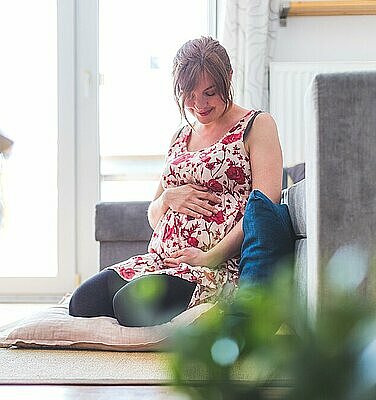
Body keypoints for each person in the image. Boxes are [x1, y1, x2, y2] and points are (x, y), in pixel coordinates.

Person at [69, 36, 283, 327]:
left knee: (127, 306)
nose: (199, 105)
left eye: (209, 93)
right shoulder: (180, 136)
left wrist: (210, 256)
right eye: (189, 95)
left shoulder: (257, 125)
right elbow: (154, 215)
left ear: (229, 78)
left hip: (212, 266)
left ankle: (206, 302)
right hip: (160, 261)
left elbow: (264, 208)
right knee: (82, 302)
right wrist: (168, 198)